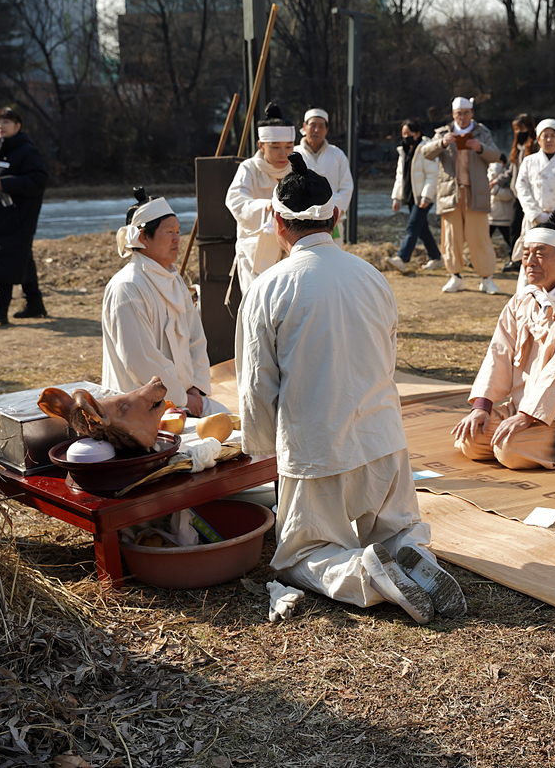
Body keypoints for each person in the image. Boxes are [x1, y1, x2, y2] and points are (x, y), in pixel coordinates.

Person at [237, 152, 465, 624]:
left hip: (317, 451)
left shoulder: (268, 287)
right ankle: (413, 554)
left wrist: (260, 453)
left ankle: (367, 576)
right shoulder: (372, 277)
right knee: (399, 526)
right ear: (335, 217)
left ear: (278, 223)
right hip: (383, 440)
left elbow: (257, 386)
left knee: (299, 554)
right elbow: (387, 359)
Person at [451, 213, 555, 470]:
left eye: (540, 254)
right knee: (471, 439)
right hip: (522, 407)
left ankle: (538, 440)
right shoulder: (522, 300)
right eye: (526, 254)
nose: (530, 262)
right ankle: (515, 431)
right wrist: (482, 406)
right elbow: (498, 353)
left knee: (508, 450)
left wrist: (528, 415)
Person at [101, 194, 224, 416]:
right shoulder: (127, 287)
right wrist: (180, 397)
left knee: (239, 430)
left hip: (187, 398)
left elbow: (196, 339)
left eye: (178, 232)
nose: (177, 239)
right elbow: (140, 360)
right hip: (139, 410)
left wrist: (195, 388)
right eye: (169, 232)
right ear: (143, 237)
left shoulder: (174, 280)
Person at [0, 107, 49, 325]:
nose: (0, 127)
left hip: (19, 216)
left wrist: (6, 183)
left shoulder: (26, 150)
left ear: (18, 126)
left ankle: (0, 308)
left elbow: (39, 180)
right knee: (21, 257)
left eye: (5, 122)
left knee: (6, 257)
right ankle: (35, 304)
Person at [421, 96, 503, 295]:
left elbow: (495, 155)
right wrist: (441, 143)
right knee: (451, 237)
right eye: (458, 113)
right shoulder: (443, 132)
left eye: (466, 113)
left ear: (472, 113)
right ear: (453, 114)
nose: (462, 117)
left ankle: (486, 278)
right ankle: (455, 276)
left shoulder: (482, 133)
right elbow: (425, 152)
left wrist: (480, 148)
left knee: (480, 237)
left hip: (476, 193)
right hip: (451, 193)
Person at [225, 102, 293, 296]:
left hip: (291, 249)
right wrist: (267, 207)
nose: (283, 153)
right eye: (275, 147)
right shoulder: (249, 168)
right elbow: (235, 200)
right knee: (258, 301)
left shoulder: (298, 168)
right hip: (255, 252)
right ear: (261, 145)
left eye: (288, 146)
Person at [514, 118, 555, 287]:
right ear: (538, 139)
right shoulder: (529, 161)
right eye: (545, 136)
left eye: (553, 135)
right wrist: (537, 213)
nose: (549, 139)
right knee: (531, 262)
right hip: (535, 220)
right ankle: (525, 300)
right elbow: (521, 188)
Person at [387, 119, 444, 273]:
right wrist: (397, 198)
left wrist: (426, 196)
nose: (405, 137)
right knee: (422, 229)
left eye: (408, 133)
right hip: (411, 195)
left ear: (418, 133)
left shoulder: (426, 149)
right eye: (403, 134)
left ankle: (402, 258)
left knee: (412, 226)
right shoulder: (404, 151)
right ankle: (436, 258)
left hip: (424, 196)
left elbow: (433, 174)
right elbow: (400, 176)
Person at [293, 108, 354, 245]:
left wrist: (334, 209)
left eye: (321, 126)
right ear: (304, 127)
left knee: (334, 259)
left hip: (332, 220)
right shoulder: (294, 153)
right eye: (313, 125)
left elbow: (346, 186)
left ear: (326, 129)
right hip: (301, 222)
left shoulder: (337, 154)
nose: (316, 130)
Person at [502, 113, 539, 272]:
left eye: (522, 129)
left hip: (533, 196)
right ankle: (515, 258)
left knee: (529, 229)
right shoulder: (517, 148)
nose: (519, 132)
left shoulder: (536, 147)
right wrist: (498, 180)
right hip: (518, 195)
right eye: (516, 129)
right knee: (514, 227)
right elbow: (511, 171)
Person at [488, 153, 516, 256]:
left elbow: (509, 195)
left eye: (499, 162)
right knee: (484, 240)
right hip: (489, 216)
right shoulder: (485, 175)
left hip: (504, 217)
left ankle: (513, 259)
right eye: (493, 162)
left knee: (509, 240)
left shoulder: (507, 178)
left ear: (504, 164)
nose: (496, 165)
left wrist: (494, 189)